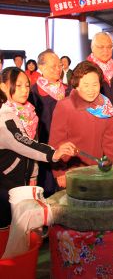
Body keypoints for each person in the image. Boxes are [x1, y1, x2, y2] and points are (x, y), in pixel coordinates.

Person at [0, 66, 76, 228]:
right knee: (9, 228)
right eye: (18, 85)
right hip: (6, 181)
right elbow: (23, 143)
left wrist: (33, 176)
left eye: (27, 85)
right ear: (3, 87)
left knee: (21, 229)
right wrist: (53, 153)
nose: (24, 90)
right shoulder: (4, 117)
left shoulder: (28, 112)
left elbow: (30, 146)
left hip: (22, 179)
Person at [49, 61, 113, 188]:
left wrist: (110, 165)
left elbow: (110, 141)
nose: (91, 90)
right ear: (77, 85)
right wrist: (59, 172)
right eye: (86, 85)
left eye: (95, 84)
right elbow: (56, 142)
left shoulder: (105, 107)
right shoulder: (65, 106)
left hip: (98, 170)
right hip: (72, 172)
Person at [29, 49, 71, 197]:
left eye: (59, 65)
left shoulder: (68, 90)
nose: (58, 69)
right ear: (41, 67)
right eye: (53, 66)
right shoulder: (33, 92)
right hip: (45, 149)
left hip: (68, 147)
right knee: (47, 192)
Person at [87, 32, 113, 131]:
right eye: (101, 47)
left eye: (109, 47)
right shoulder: (85, 69)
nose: (105, 51)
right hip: (96, 126)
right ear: (92, 47)